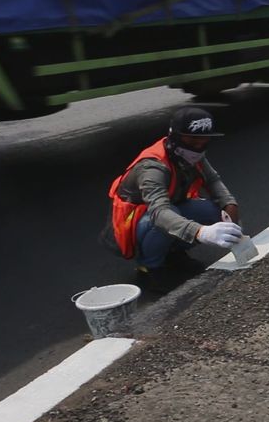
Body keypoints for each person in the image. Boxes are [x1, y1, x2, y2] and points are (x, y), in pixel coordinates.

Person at [102, 107, 242, 293]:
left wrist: (230, 205)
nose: (198, 146)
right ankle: (150, 267)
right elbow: (159, 212)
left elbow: (213, 180)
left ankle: (172, 254)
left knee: (213, 212)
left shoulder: (192, 154)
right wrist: (201, 232)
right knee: (169, 216)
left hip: (166, 211)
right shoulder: (153, 166)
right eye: (192, 140)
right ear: (174, 137)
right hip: (134, 227)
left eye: (204, 140)